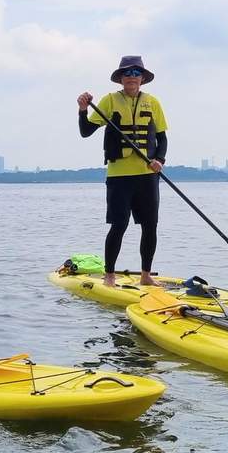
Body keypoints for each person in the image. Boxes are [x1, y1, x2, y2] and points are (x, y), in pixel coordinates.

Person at [76, 55, 169, 287]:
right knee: (119, 225)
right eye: (127, 73)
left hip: (148, 176)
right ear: (120, 79)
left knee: (150, 225)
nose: (132, 77)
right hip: (119, 177)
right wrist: (82, 110)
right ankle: (109, 275)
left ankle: (146, 275)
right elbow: (86, 131)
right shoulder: (109, 101)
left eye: (137, 73)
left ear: (142, 79)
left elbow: (162, 137)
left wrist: (160, 159)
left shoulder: (153, 102)